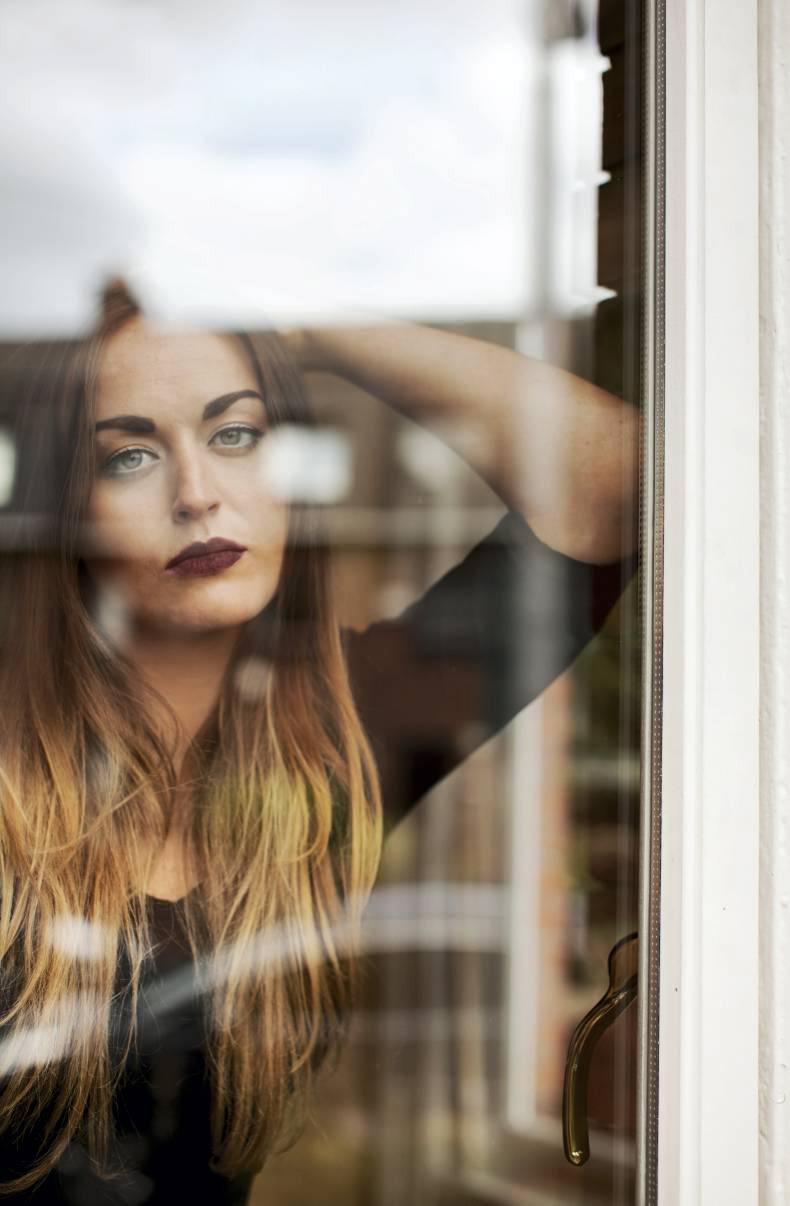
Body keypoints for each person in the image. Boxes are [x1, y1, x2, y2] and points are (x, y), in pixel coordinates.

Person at [0, 280, 639, 1203]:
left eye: (235, 435)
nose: (198, 495)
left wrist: (311, 325)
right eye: (129, 456)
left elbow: (613, 481)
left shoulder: (340, 738)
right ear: (61, 510)